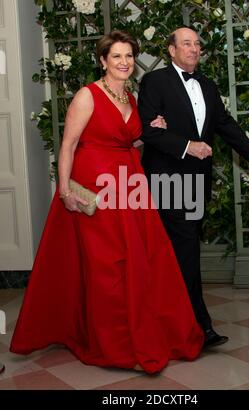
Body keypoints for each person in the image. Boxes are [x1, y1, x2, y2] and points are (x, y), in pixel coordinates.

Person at [10, 30, 204, 374]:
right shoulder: (88, 95)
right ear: (103, 61)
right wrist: (66, 191)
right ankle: (111, 343)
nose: (124, 62)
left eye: (129, 56)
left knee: (140, 260)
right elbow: (68, 145)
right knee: (107, 266)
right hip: (95, 187)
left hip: (128, 185)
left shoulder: (129, 98)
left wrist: (147, 132)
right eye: (116, 56)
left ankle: (137, 334)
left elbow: (122, 142)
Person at [138, 27, 249, 348]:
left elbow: (225, 124)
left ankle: (171, 322)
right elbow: (146, 130)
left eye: (197, 44)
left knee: (181, 250)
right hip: (167, 179)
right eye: (186, 43)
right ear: (171, 50)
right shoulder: (155, 82)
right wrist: (187, 146)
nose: (194, 49)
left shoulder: (207, 86)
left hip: (197, 182)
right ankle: (199, 326)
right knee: (186, 250)